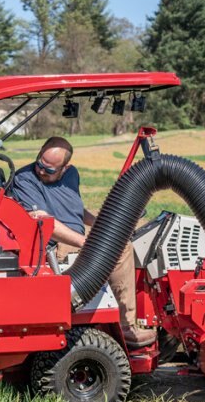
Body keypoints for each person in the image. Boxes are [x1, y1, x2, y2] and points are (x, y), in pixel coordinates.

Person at [8, 136, 157, 346]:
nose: (41, 171)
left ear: (65, 168)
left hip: (75, 239)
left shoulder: (72, 175)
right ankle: (127, 326)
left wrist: (99, 223)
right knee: (122, 248)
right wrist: (85, 242)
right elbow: (42, 221)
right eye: (40, 163)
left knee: (134, 238)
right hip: (53, 246)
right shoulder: (24, 179)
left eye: (50, 170)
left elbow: (76, 210)